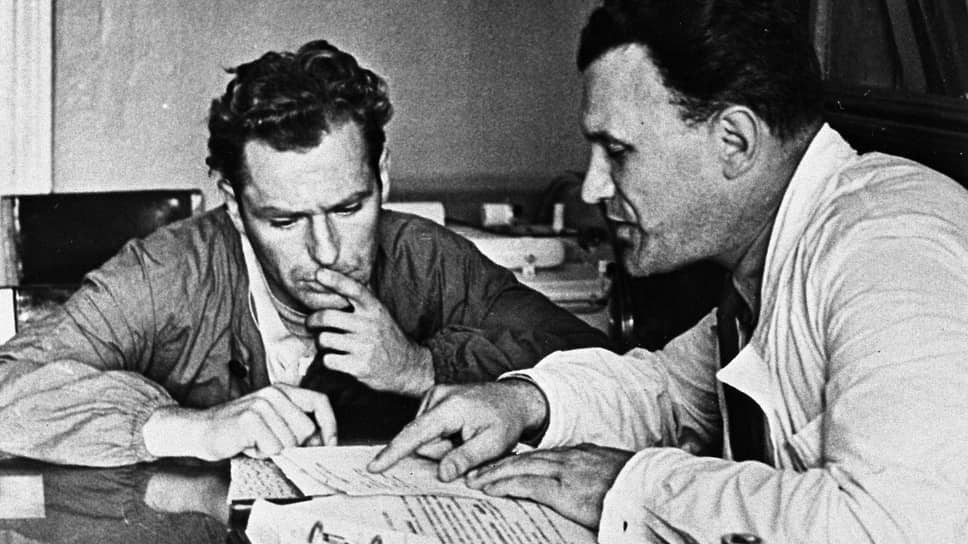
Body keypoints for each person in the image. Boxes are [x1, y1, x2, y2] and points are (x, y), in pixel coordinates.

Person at [369, 1, 968, 542]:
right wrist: (525, 403)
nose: (593, 187)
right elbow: (668, 394)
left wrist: (631, 488)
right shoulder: (772, 258)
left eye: (618, 151)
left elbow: (898, 526)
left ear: (734, 142)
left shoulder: (890, 245)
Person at [0, 39, 612, 467]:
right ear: (235, 205)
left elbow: (606, 367)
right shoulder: (168, 273)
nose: (326, 252)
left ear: (382, 177)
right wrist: (188, 430)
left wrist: (420, 367)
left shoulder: (426, 257)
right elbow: (7, 385)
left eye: (349, 209)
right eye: (285, 220)